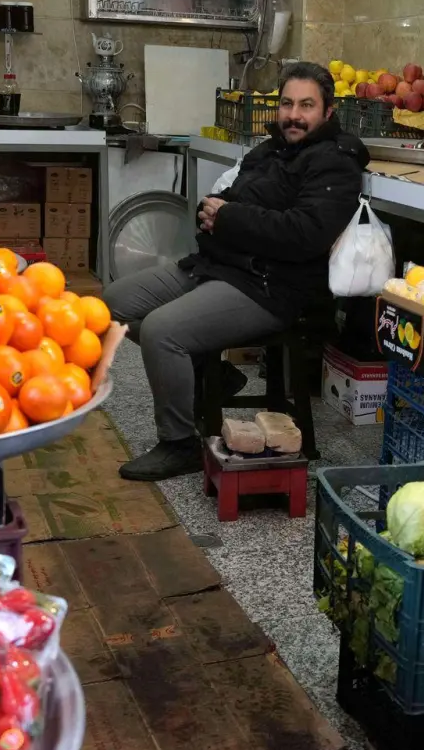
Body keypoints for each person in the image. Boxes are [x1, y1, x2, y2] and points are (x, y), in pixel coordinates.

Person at [105, 61, 370, 481]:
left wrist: (228, 219)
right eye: (286, 103)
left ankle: (179, 444)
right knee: (113, 304)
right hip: (220, 265)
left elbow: (305, 234)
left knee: (161, 330)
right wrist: (210, 212)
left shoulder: (336, 163)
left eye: (306, 105)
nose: (294, 114)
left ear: (328, 112)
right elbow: (222, 199)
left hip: (272, 287)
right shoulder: (269, 150)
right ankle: (213, 376)